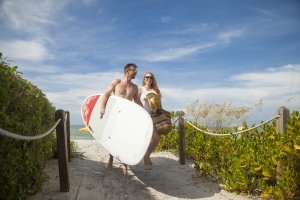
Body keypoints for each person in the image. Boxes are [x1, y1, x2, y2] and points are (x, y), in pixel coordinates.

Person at [100, 63, 143, 177]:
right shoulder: (117, 82)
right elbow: (106, 94)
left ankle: (125, 165)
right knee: (112, 138)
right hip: (115, 114)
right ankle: (110, 161)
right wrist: (102, 108)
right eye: (135, 71)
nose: (136, 73)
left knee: (125, 139)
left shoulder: (134, 87)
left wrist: (144, 113)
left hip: (127, 116)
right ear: (128, 71)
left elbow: (137, 101)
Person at [138, 72, 162, 170]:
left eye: (151, 77)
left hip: (154, 117)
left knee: (156, 139)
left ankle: (147, 156)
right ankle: (146, 162)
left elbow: (159, 105)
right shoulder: (140, 90)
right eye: (147, 77)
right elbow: (135, 102)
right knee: (146, 140)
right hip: (143, 118)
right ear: (144, 79)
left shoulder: (155, 90)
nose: (149, 79)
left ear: (153, 79)